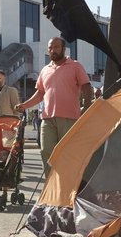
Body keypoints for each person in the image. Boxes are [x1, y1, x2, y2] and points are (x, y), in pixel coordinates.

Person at [15, 37, 94, 172]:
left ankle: (68, 187)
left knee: (68, 155)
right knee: (46, 151)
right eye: (50, 48)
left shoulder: (75, 66)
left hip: (69, 119)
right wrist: (25, 105)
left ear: (64, 49)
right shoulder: (45, 70)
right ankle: (51, 188)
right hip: (47, 119)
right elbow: (40, 93)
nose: (53, 50)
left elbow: (87, 88)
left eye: (56, 47)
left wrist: (86, 109)